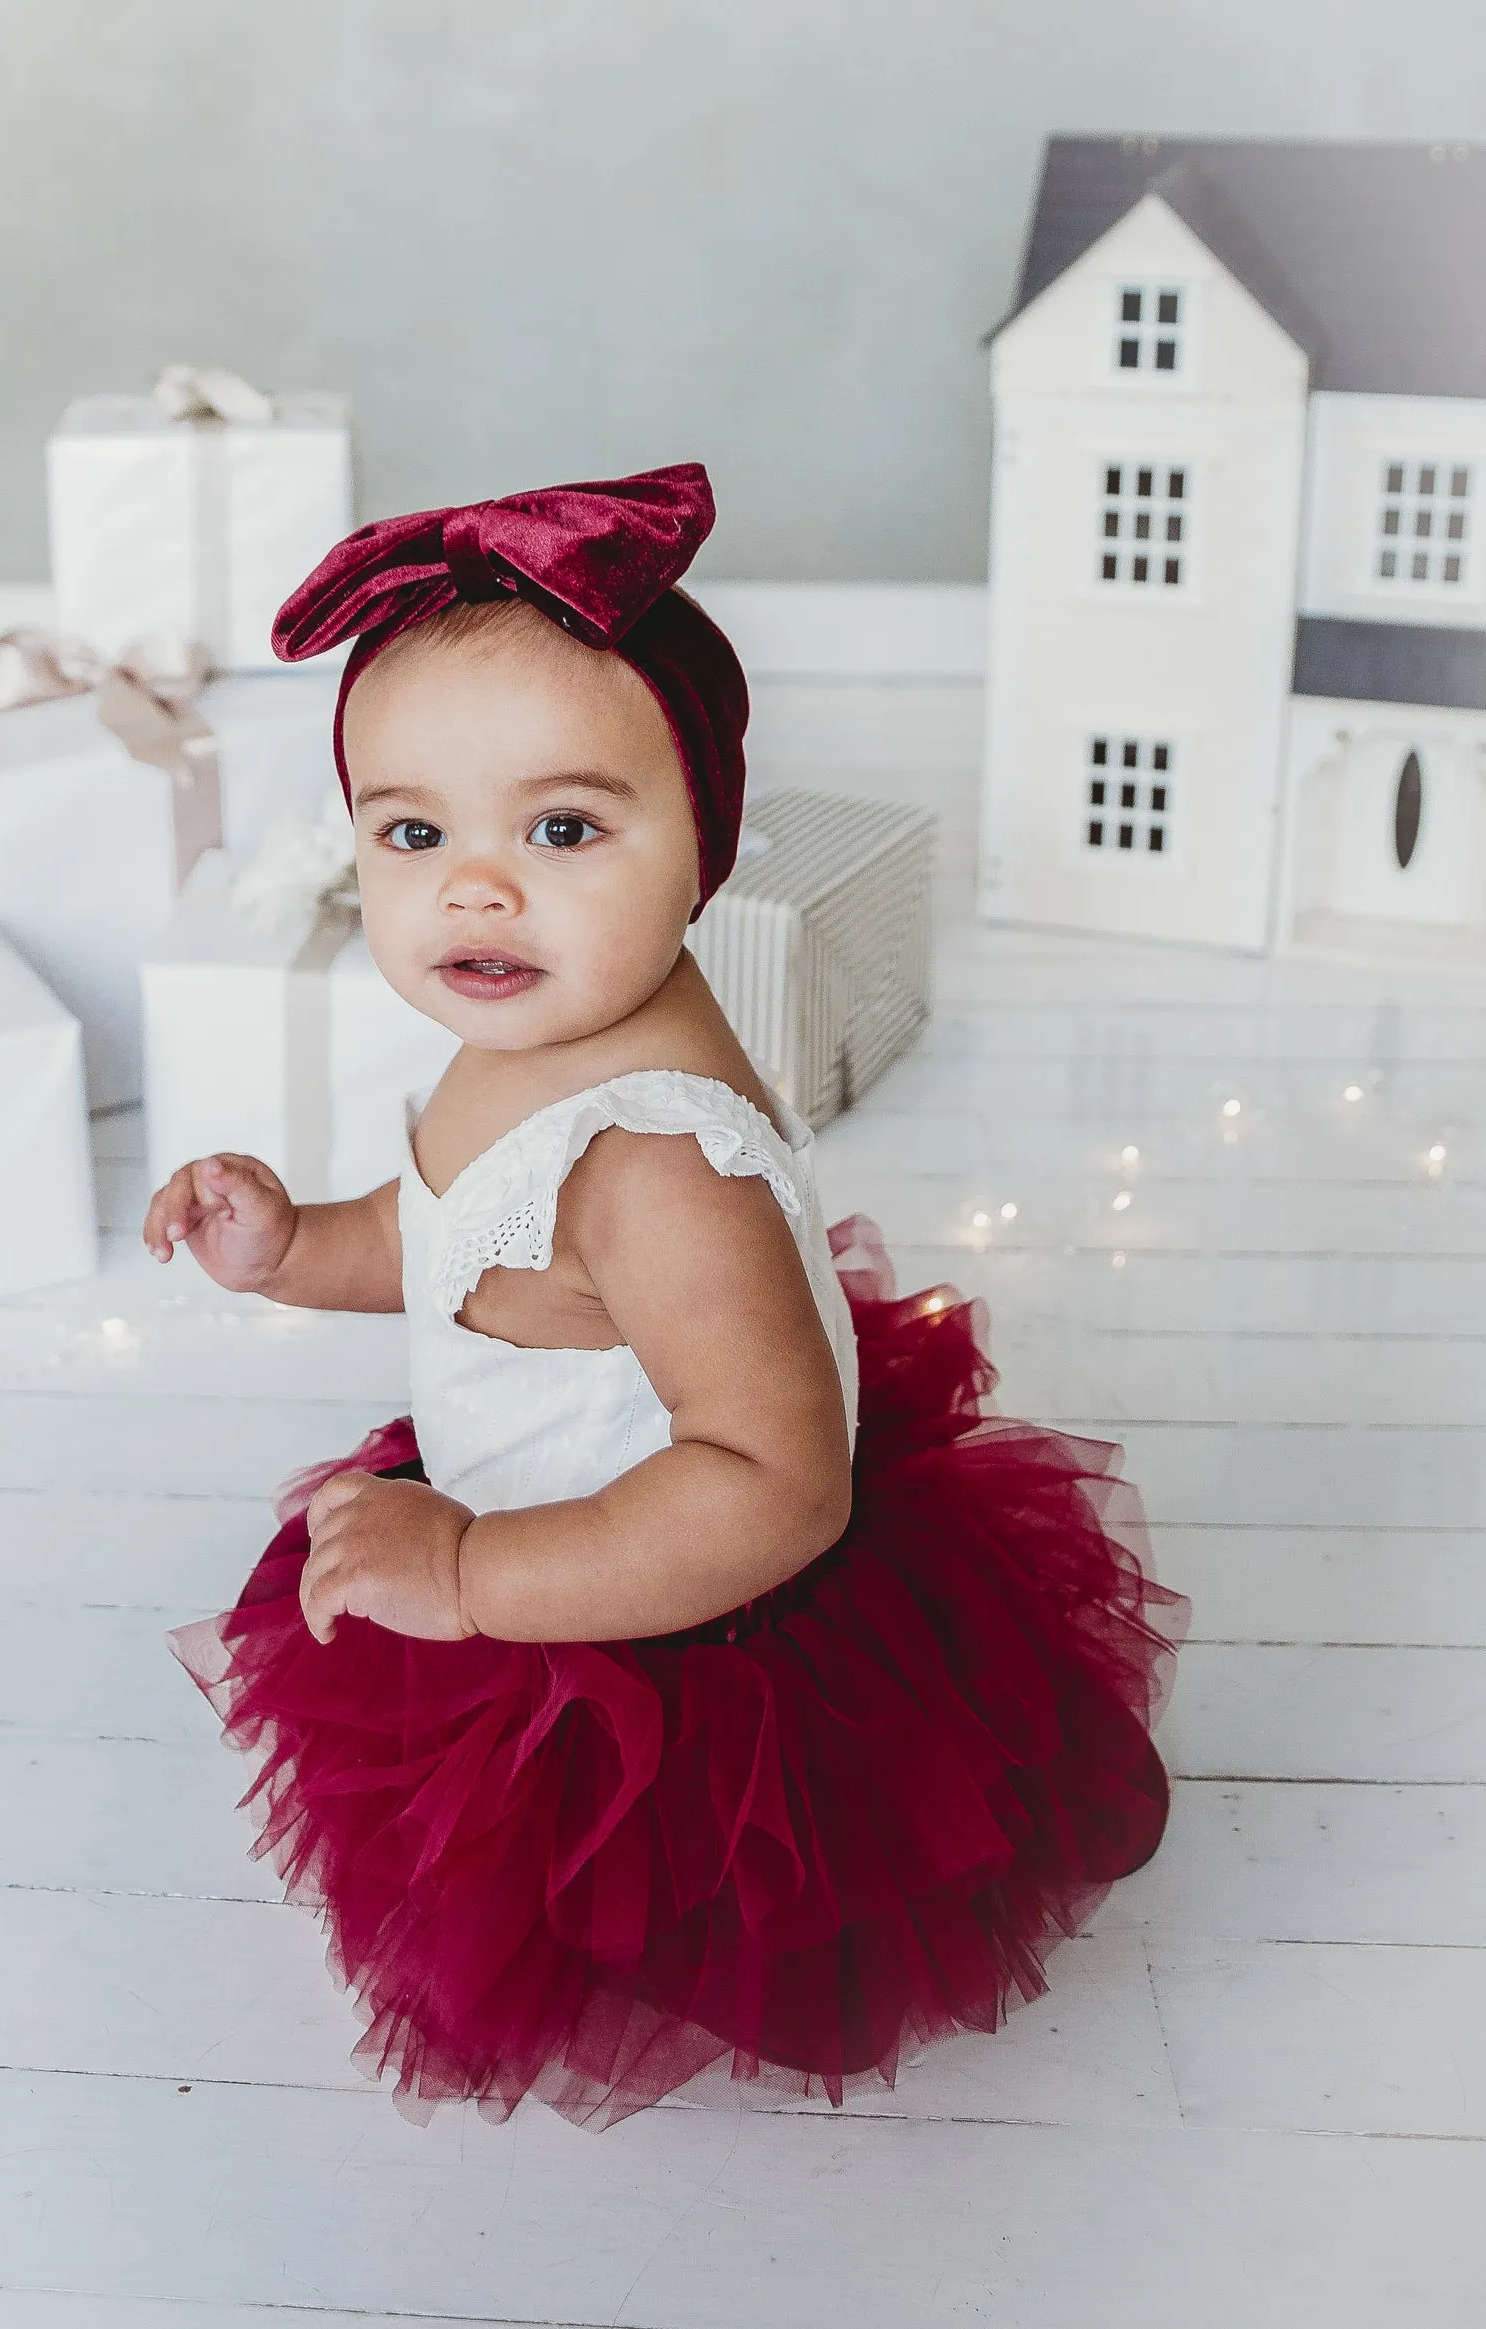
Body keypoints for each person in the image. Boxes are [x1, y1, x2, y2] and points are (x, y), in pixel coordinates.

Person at [151, 464, 1187, 2130]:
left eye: (563, 828)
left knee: (628, 1877)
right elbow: (450, 1243)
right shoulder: (529, 1036)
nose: (476, 888)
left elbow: (775, 1487)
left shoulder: (655, 1171)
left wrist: (477, 1571)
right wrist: (290, 1246)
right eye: (414, 832)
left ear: (705, 839)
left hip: (660, 1600)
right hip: (550, 1514)